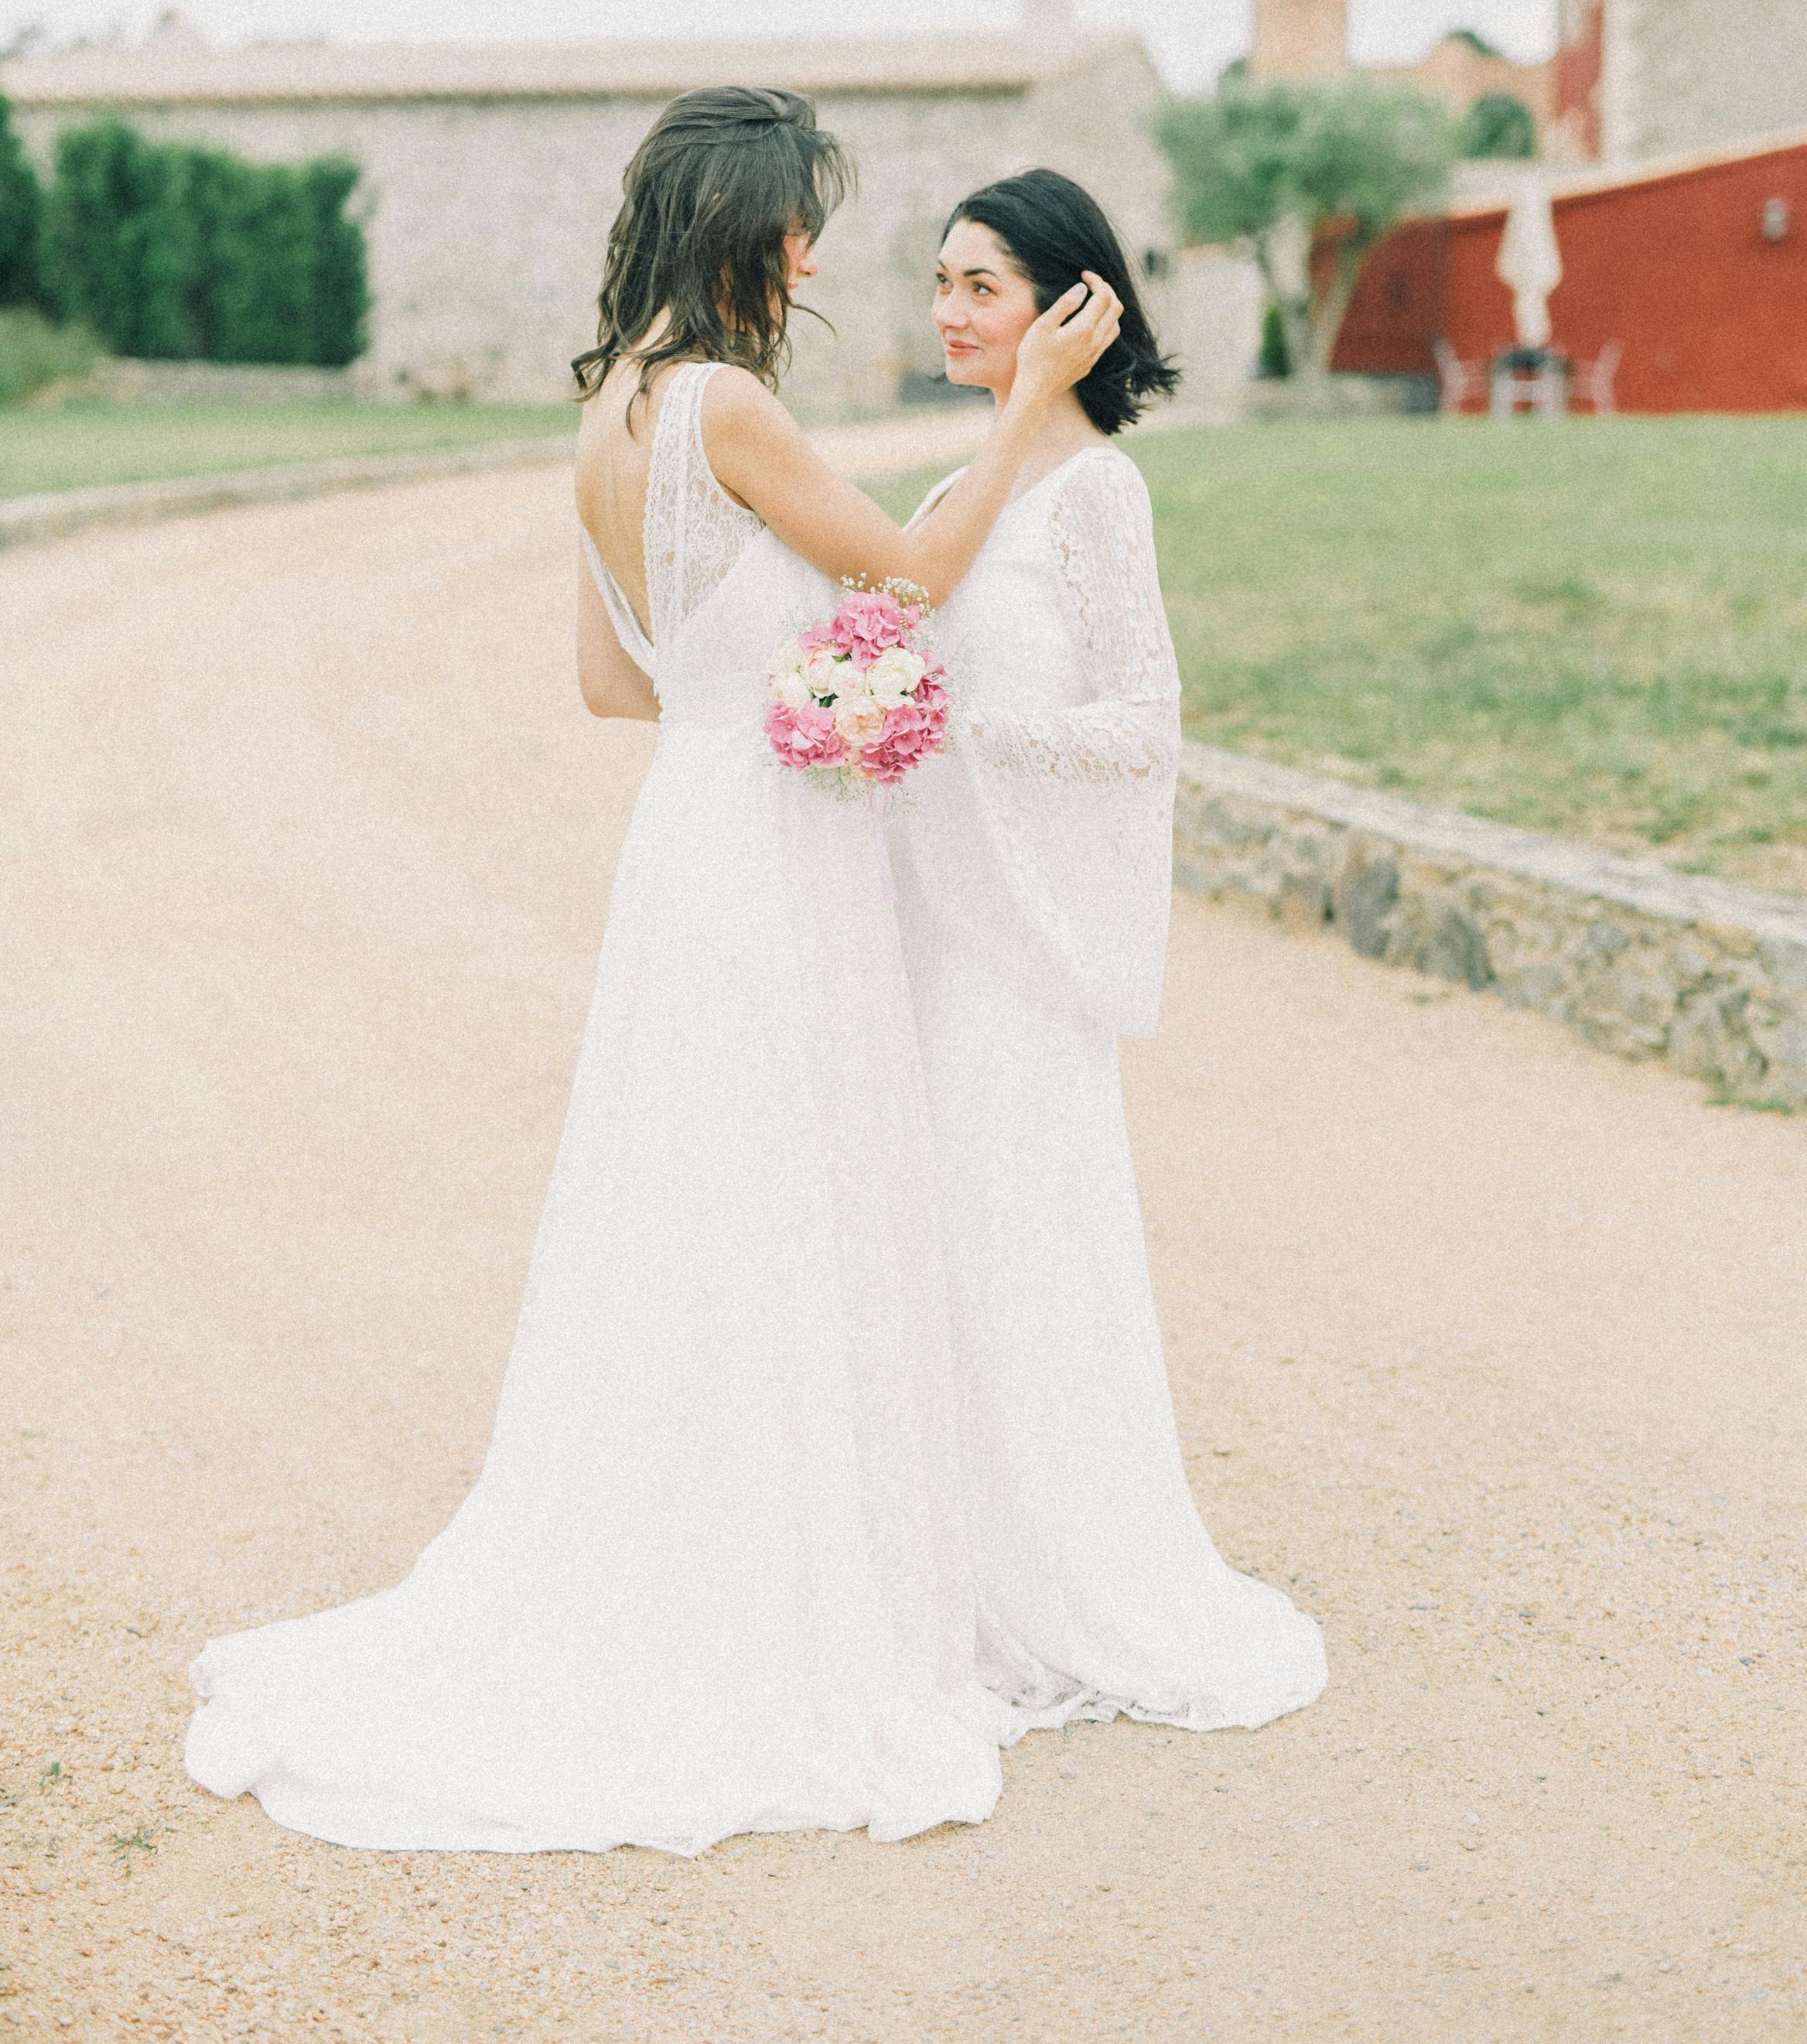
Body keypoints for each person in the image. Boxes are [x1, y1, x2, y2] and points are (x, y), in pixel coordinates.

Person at [184, 91, 1122, 1854]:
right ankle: (776, 1608)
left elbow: (616, 690)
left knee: (699, 1209)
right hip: (770, 854)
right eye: (796, 226)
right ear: (738, 232)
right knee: (789, 1206)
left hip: (689, 838)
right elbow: (917, 566)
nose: (816, 258)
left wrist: (770, 680)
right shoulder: (723, 402)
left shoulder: (606, 414)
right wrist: (1014, 415)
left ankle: (694, 1552)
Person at [892, 168, 1327, 1735]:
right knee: (921, 1243)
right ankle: (926, 1564)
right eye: (940, 281)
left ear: (1073, 309)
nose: (947, 310)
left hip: (1018, 945)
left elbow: (1145, 721)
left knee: (1012, 1236)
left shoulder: (1094, 492)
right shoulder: (970, 479)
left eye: (981, 287)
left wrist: (957, 735)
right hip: (927, 930)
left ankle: (1048, 1571)